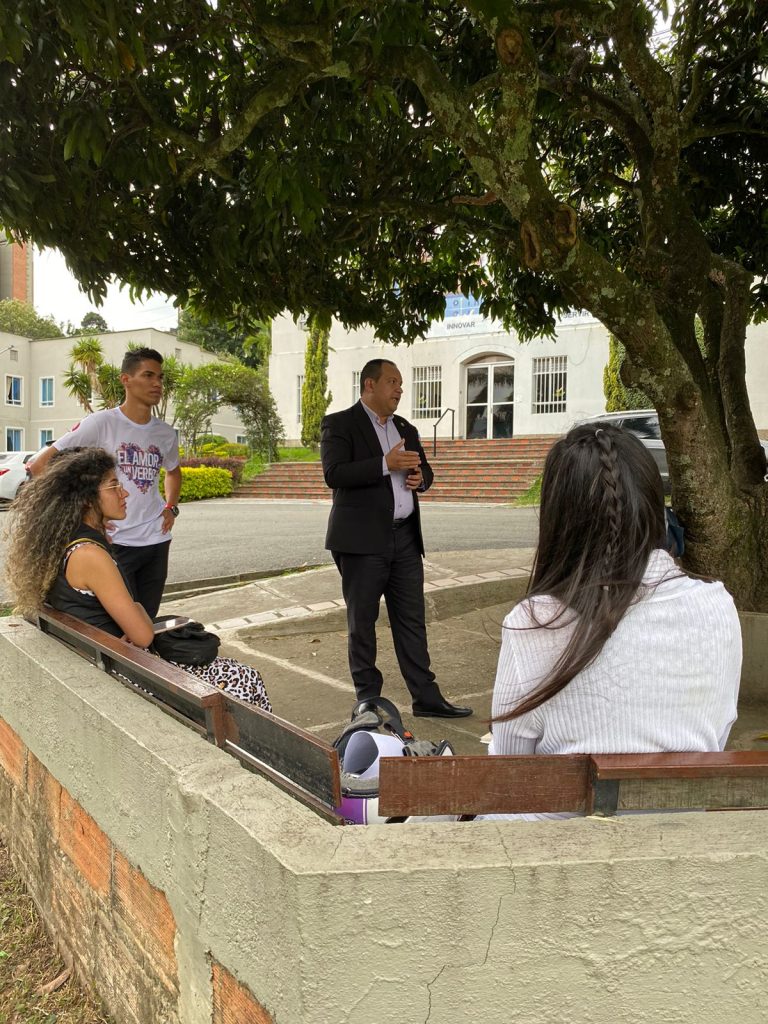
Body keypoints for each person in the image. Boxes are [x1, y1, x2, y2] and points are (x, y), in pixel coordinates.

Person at [488, 422, 741, 818]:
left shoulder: (534, 623)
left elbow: (509, 774)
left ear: (559, 521)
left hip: (557, 863)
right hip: (682, 853)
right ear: (655, 506)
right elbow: (717, 732)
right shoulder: (718, 607)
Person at [4, 448, 270, 711]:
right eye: (113, 486)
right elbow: (142, 636)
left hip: (105, 660)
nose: (125, 492)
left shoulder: (62, 541)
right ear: (86, 498)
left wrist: (136, 613)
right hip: (123, 673)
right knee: (247, 680)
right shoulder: (90, 555)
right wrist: (139, 610)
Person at [320, 358, 472, 719]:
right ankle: (368, 701)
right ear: (369, 385)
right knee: (363, 622)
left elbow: (424, 469)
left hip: (404, 538)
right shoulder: (340, 424)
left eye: (401, 384)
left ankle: (426, 697)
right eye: (392, 382)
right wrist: (384, 464)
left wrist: (423, 479)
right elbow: (334, 473)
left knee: (411, 619)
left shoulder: (404, 427)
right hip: (361, 542)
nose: (399, 390)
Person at [30, 347, 181, 618]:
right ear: (126, 379)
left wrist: (171, 506)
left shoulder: (166, 433)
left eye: (160, 377)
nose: (157, 383)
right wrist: (83, 514)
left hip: (156, 541)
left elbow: (173, 471)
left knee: (146, 620)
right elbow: (40, 465)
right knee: (119, 628)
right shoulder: (101, 423)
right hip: (116, 542)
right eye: (148, 375)